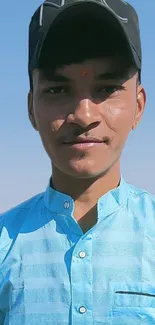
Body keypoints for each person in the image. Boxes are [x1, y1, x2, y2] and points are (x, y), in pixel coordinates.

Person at [0, 0, 155, 324]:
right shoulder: (4, 244)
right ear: (31, 109)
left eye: (107, 88)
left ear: (138, 106)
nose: (84, 115)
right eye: (57, 89)